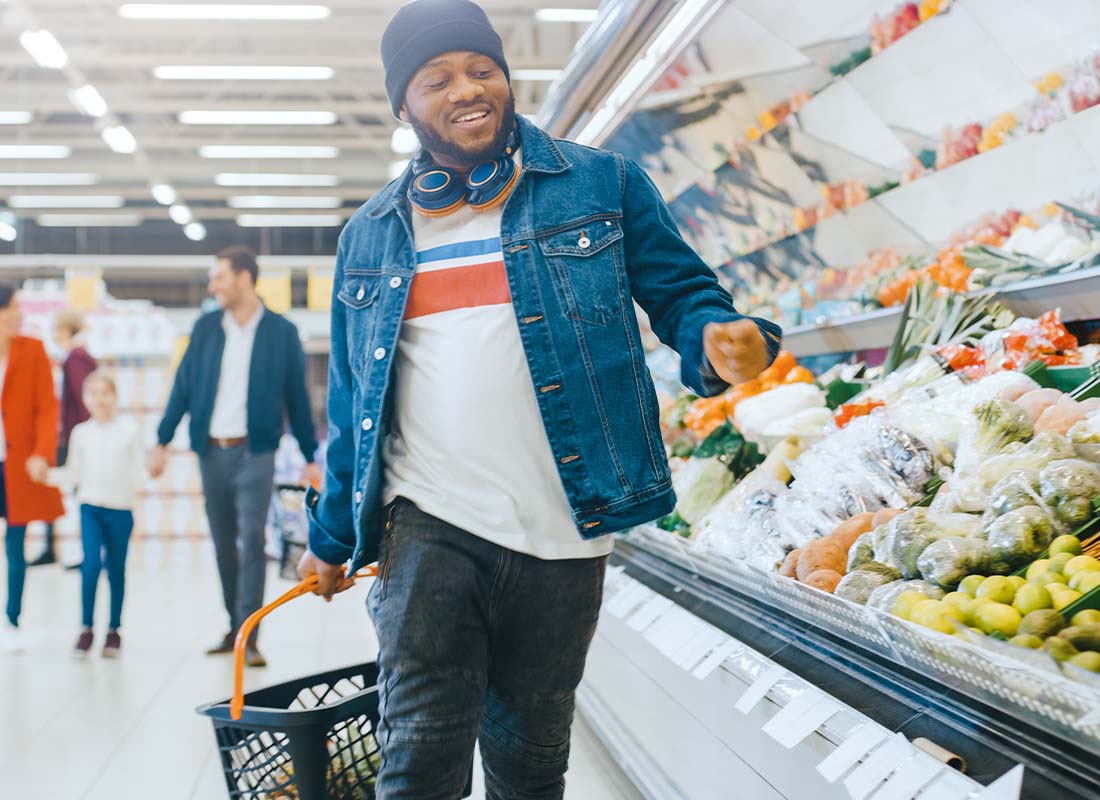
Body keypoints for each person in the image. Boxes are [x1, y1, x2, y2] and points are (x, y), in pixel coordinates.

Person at [298, 1, 782, 796]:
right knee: (417, 762)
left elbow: (683, 293)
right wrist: (329, 532)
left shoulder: (602, 183)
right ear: (404, 106)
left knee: (529, 767)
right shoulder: (374, 234)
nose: (467, 88)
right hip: (429, 528)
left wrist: (717, 337)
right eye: (437, 78)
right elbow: (354, 404)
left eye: (482, 68)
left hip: (568, 530)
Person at [149, 246, 322, 668]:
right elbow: (183, 387)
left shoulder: (281, 332)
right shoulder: (207, 327)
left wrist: (309, 455)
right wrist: (162, 439)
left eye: (219, 277)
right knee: (224, 544)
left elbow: (297, 398)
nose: (213, 286)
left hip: (255, 451)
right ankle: (234, 625)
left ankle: (250, 633)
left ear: (244, 278)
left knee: (252, 542)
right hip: (211, 451)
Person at [48, 371, 142, 658]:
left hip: (121, 510)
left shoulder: (129, 430)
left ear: (114, 396)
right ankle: (86, 628)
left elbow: (138, 472)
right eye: (94, 394)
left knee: (116, 570)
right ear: (86, 399)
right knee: (90, 566)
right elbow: (74, 473)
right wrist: (47, 476)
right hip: (90, 507)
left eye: (105, 393)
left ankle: (114, 631)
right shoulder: (80, 433)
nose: (100, 400)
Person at [0, 284, 65, 653]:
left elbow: (47, 408)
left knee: (15, 542)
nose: (17, 314)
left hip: (17, 463)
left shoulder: (33, 350)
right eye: (10, 308)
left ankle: (11, 619)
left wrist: (42, 453)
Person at [30, 310, 97, 568]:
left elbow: (83, 402)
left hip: (73, 437)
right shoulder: (76, 356)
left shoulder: (75, 359)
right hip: (72, 436)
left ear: (67, 330)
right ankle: (59, 548)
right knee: (63, 487)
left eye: (57, 328)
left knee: (74, 488)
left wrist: (82, 436)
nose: (54, 333)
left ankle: (79, 551)